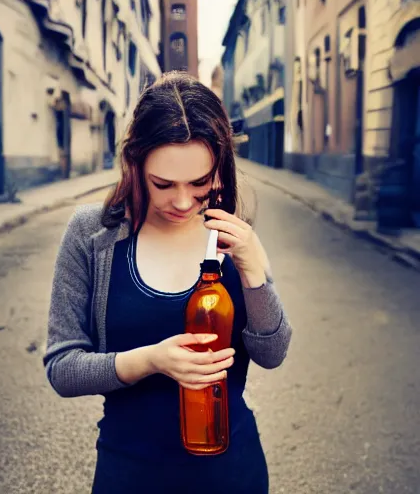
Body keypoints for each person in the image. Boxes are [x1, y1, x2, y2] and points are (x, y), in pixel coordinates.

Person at [43, 71, 292, 494]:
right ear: (134, 163)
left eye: (199, 184)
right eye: (163, 184)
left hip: (230, 471)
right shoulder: (92, 235)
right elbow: (62, 368)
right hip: (130, 470)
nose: (181, 202)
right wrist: (151, 360)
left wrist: (253, 274)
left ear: (221, 167)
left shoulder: (231, 237)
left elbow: (271, 353)